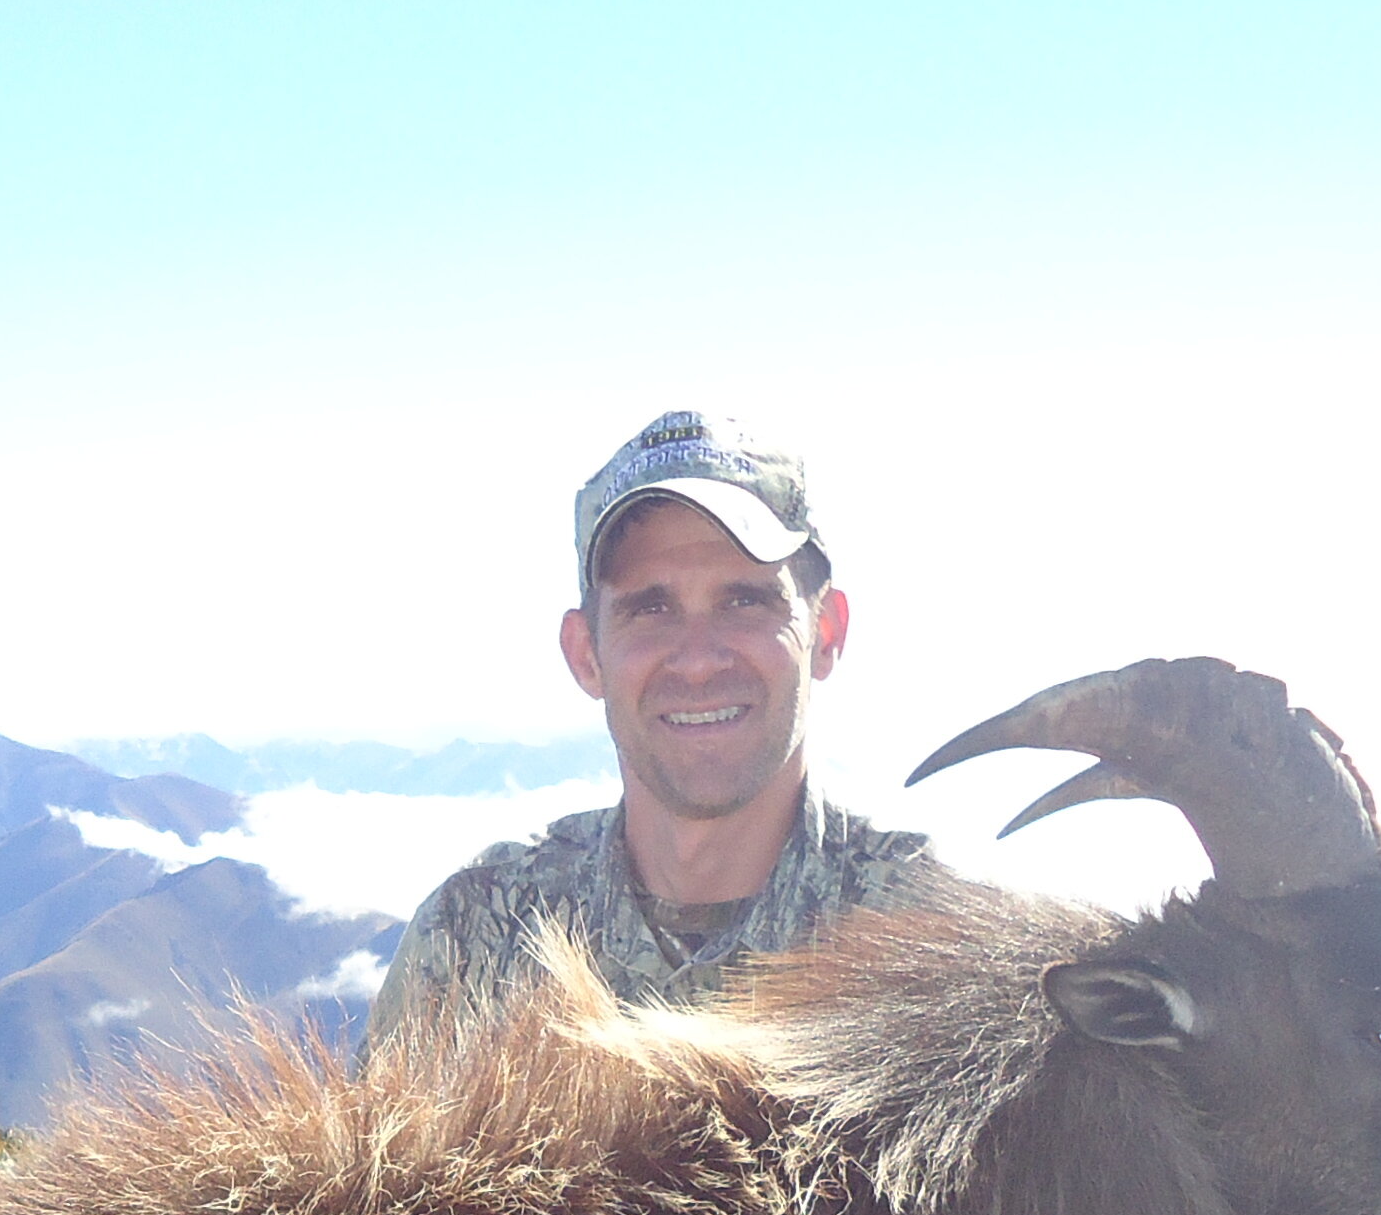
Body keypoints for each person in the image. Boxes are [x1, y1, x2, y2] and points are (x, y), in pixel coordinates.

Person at [366, 408, 959, 1052]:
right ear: (585, 655)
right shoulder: (470, 939)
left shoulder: (939, 949)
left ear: (828, 633)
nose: (699, 660)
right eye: (650, 608)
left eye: (745, 601)